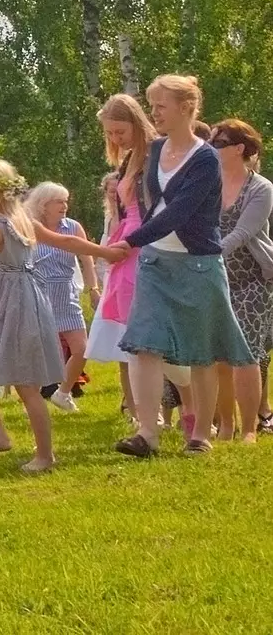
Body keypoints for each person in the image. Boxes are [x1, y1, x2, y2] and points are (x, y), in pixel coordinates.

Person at [0, 162, 120, 473]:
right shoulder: (23, 221)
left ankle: (44, 456)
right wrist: (105, 252)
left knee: (25, 384)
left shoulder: (1, 226)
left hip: (13, 301)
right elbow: (67, 242)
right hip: (1, 299)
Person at [108, 74, 256, 458]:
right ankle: (147, 433)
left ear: (186, 108)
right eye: (153, 105)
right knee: (142, 345)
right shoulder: (156, 150)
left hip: (197, 265)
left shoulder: (206, 158)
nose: (154, 113)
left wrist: (130, 241)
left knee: (202, 353)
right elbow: (153, 205)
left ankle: (200, 437)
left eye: (160, 106)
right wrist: (136, 241)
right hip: (156, 262)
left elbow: (178, 212)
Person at [88, 93, 157, 407]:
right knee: (132, 327)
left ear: (137, 124)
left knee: (145, 322)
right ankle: (141, 406)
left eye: (121, 132)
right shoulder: (128, 160)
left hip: (146, 239)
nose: (116, 138)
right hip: (125, 240)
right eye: (110, 134)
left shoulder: (155, 154)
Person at [209, 118, 273, 440]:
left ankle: (249, 429)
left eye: (218, 144)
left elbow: (244, 232)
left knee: (246, 353)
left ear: (239, 148)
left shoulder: (261, 188)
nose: (211, 148)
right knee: (220, 356)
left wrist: (207, 252)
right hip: (216, 279)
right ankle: (226, 426)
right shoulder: (209, 184)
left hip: (253, 281)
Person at [27, 182, 100, 412]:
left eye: (65, 201)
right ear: (43, 205)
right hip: (38, 293)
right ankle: (33, 400)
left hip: (65, 294)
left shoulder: (73, 227)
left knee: (81, 348)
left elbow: (87, 258)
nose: (64, 206)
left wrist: (93, 289)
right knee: (39, 351)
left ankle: (64, 392)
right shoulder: (30, 227)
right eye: (58, 201)